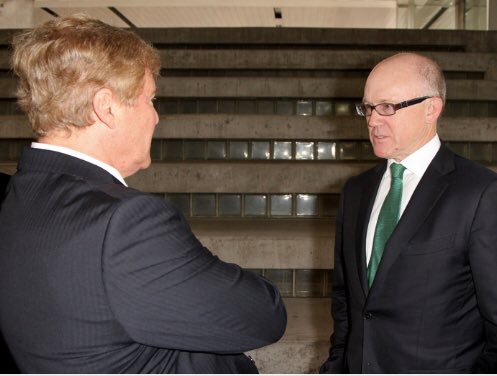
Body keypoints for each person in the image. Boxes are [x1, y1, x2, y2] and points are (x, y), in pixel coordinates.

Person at [0, 15, 286, 373]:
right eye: (150, 99)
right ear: (107, 108)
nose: (155, 117)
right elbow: (264, 316)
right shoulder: (124, 223)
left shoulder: (19, 197)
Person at [320, 52, 497, 373]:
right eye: (368, 107)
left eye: (387, 107)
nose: (373, 120)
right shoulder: (355, 191)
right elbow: (345, 299)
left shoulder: (481, 192)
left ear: (432, 108)